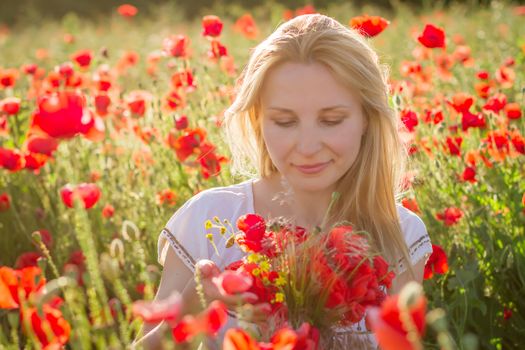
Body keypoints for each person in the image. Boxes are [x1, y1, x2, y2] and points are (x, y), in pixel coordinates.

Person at [136, 13, 433, 349]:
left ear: (367, 118)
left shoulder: (400, 235)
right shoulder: (208, 219)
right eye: (285, 121)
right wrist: (191, 310)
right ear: (258, 120)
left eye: (331, 120)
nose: (307, 147)